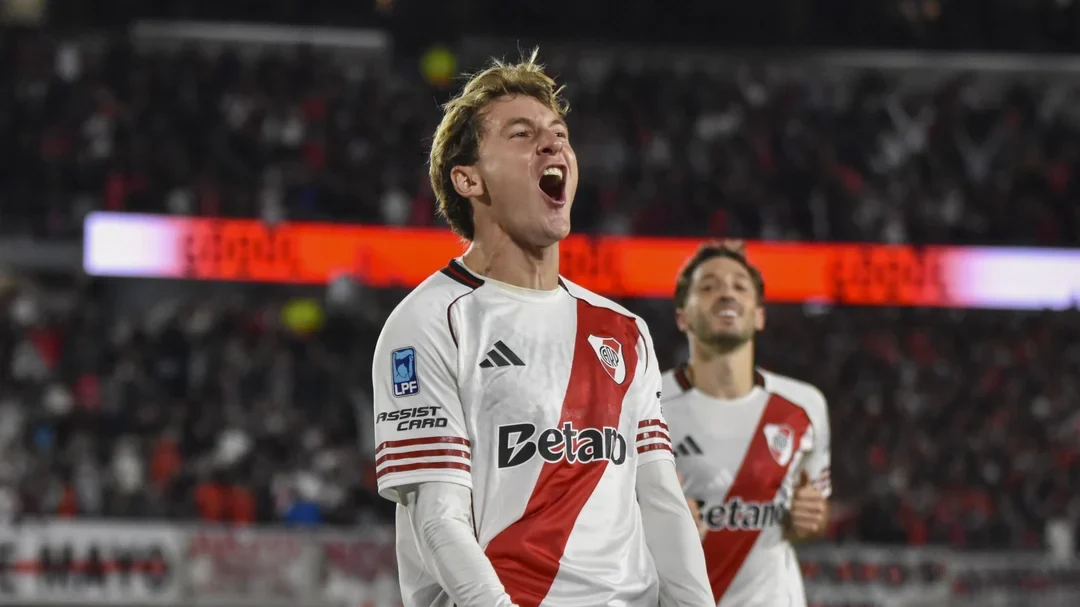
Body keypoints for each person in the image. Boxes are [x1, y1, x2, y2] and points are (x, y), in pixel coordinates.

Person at [370, 50, 713, 607]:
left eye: (559, 134)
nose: (552, 145)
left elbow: (661, 499)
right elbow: (438, 520)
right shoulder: (431, 322)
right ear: (469, 179)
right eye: (522, 134)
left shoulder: (624, 329)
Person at [662, 241, 831, 606]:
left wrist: (810, 520)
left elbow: (812, 518)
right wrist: (657, 524)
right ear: (682, 316)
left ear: (759, 315)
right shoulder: (646, 403)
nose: (727, 293)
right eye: (709, 287)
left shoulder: (805, 406)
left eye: (740, 286)